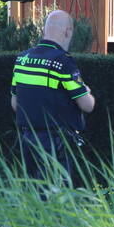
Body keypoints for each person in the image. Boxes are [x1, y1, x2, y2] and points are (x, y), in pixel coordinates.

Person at [10, 10, 95, 185]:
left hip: (27, 138)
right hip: (55, 141)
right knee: (57, 195)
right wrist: (86, 90)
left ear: (44, 31)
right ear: (68, 31)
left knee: (34, 191)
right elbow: (87, 105)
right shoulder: (62, 62)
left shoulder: (22, 59)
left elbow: (14, 104)